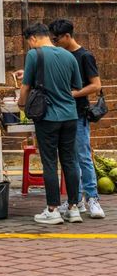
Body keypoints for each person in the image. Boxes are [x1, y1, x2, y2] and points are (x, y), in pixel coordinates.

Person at [17, 22, 83, 225]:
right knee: (70, 161)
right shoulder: (68, 55)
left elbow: (26, 86)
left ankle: (52, 209)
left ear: (33, 38)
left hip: (48, 118)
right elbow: (77, 86)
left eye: (30, 42)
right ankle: (73, 208)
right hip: (70, 116)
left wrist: (21, 104)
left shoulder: (34, 55)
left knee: (49, 162)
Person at [48, 19, 105, 219]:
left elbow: (96, 85)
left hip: (79, 113)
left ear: (67, 36)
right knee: (70, 159)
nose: (54, 43)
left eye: (56, 39)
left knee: (83, 157)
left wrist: (72, 94)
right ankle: (76, 200)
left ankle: (93, 199)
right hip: (63, 114)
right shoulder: (60, 55)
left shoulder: (84, 56)